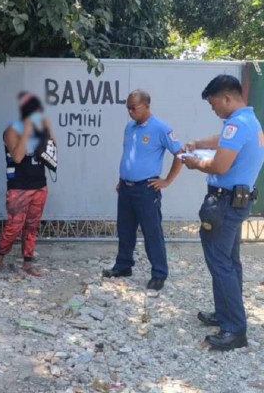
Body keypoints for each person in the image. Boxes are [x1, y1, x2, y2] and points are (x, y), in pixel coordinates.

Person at [183, 75, 264, 351]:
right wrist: (198, 143)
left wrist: (194, 162)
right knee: (230, 261)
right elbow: (223, 141)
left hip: (224, 205)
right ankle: (225, 313)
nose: (213, 109)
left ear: (227, 98)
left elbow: (219, 166)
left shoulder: (236, 124)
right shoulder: (248, 121)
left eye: (213, 103)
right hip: (236, 202)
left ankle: (234, 330)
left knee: (220, 263)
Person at [102, 90, 183, 291]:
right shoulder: (129, 127)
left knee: (151, 232)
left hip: (146, 189)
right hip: (126, 188)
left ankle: (159, 273)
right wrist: (123, 179)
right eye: (128, 108)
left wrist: (167, 180)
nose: (130, 112)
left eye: (134, 108)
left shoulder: (161, 128)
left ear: (146, 105)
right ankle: (123, 265)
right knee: (125, 228)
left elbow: (180, 154)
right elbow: (130, 155)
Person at [0, 92, 54, 277]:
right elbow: (17, 156)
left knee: (32, 225)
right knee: (14, 225)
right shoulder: (12, 130)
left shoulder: (40, 130)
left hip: (39, 184)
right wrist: (27, 131)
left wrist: (47, 131)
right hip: (19, 186)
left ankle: (28, 262)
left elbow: (52, 152)